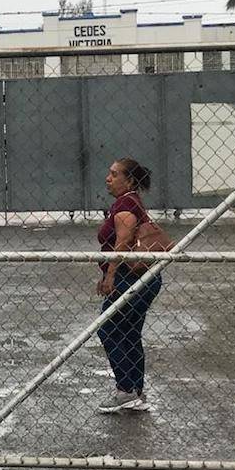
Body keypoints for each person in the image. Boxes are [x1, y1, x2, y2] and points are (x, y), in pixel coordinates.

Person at [94, 158, 162, 414]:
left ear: (129, 180)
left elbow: (121, 244)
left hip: (130, 278)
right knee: (129, 333)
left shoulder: (125, 205)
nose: (107, 178)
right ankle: (135, 391)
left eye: (113, 174)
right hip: (141, 278)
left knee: (108, 329)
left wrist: (110, 275)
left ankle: (125, 390)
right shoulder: (128, 202)